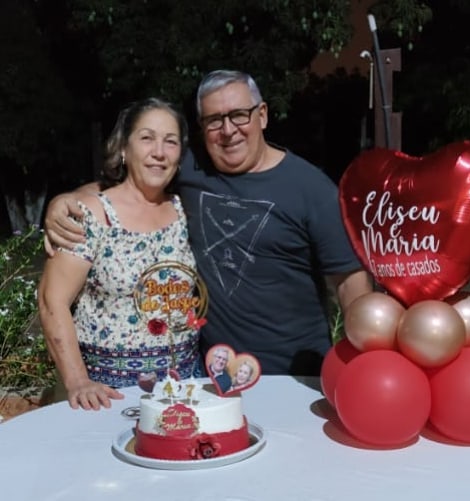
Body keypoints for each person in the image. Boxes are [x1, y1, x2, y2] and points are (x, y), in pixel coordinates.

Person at [43, 70, 373, 377]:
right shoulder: (189, 166)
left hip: (293, 376)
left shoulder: (312, 190)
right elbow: (124, 185)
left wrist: (361, 369)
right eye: (214, 120)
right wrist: (64, 203)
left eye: (239, 115)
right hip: (211, 378)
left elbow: (351, 287)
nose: (228, 130)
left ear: (262, 115)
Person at [38, 97, 200, 411]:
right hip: (109, 395)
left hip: (182, 388)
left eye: (170, 141)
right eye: (147, 138)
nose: (159, 152)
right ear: (124, 148)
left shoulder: (183, 209)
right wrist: (77, 381)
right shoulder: (91, 213)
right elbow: (51, 301)